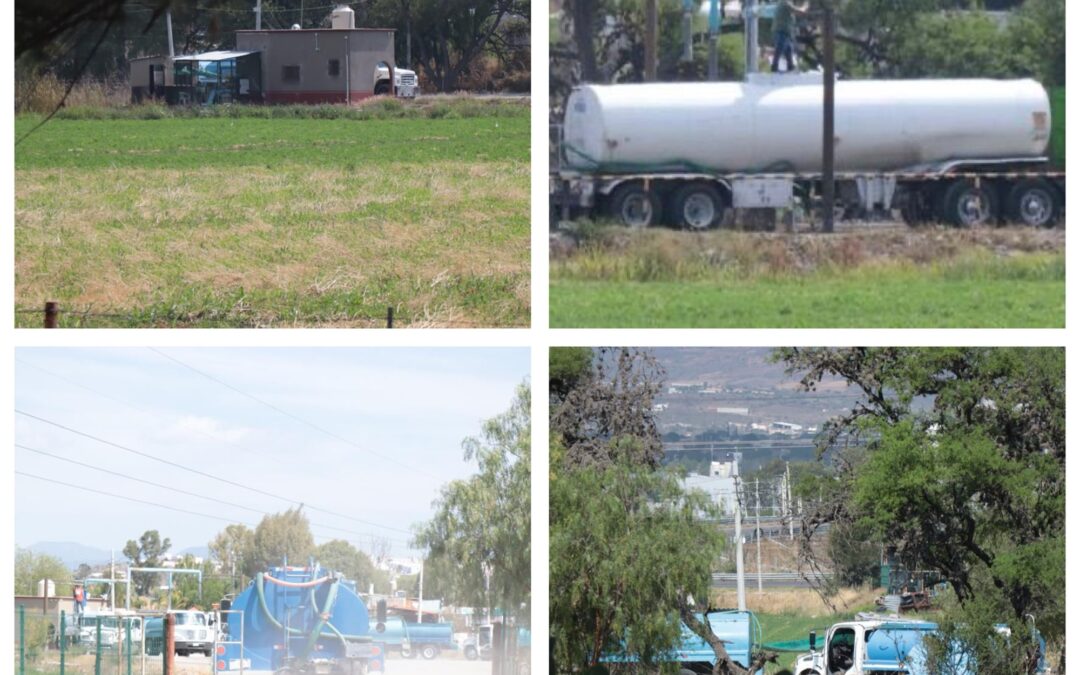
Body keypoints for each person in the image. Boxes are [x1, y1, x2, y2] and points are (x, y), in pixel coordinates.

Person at [772, 0, 810, 73]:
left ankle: (790, 67)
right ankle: (774, 67)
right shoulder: (785, 3)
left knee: (789, 50)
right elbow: (799, 11)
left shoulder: (784, 3)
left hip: (786, 33)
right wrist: (805, 6)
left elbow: (795, 13)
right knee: (779, 49)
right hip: (781, 32)